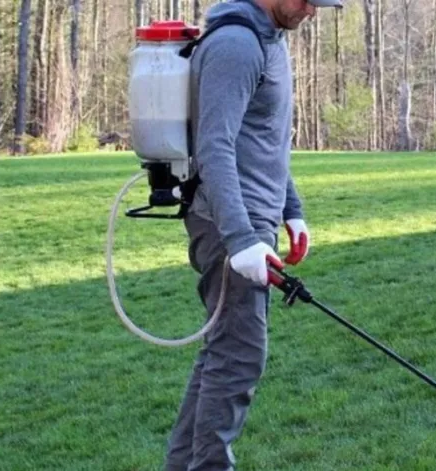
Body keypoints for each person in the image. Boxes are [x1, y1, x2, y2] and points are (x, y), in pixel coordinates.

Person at [163, 0, 344, 470]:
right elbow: (215, 146)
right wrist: (242, 237)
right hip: (228, 222)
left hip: (253, 220)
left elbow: (265, 137)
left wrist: (291, 208)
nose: (312, 11)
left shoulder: (269, 39)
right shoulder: (236, 45)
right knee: (239, 357)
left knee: (224, 354)